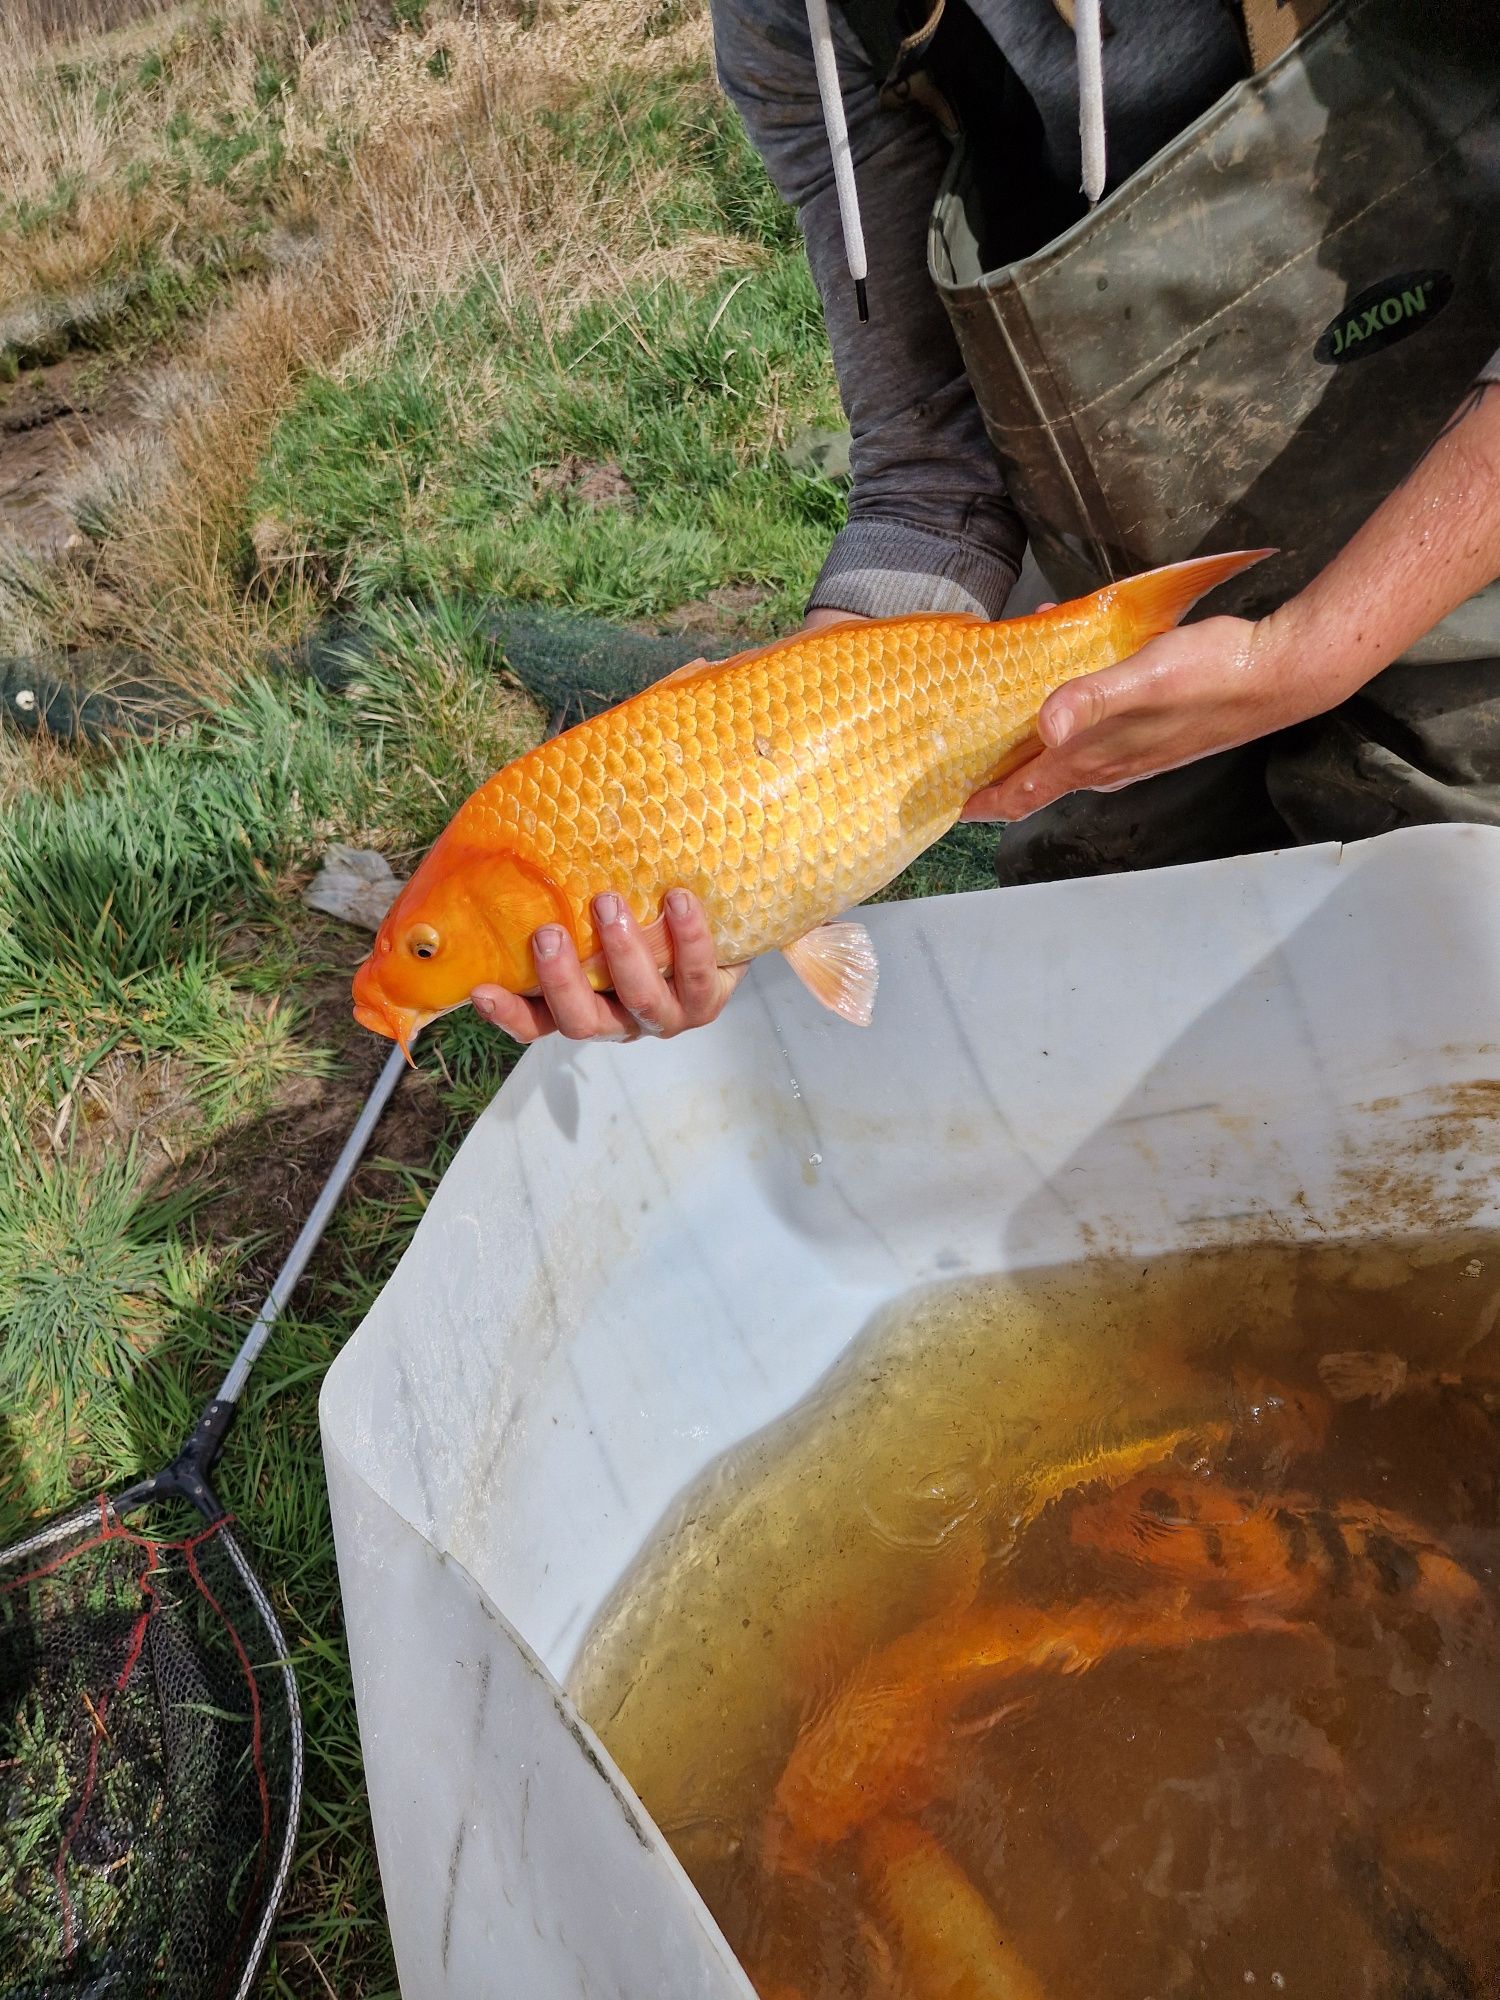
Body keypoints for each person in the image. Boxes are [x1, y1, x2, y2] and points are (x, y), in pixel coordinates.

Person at [474, 0, 1500, 1049]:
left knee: (1451, 1014)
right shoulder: (794, 24)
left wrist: (1309, 651)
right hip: (1115, 617)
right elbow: (931, 466)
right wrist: (766, 825)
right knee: (1109, 1021)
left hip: (1470, 546)